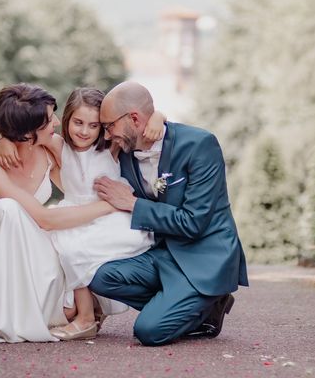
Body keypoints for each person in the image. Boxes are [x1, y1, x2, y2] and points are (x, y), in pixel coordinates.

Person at [0, 83, 120, 343]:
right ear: (26, 132)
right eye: (48, 121)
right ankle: (5, 310)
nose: (58, 123)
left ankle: (67, 306)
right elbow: (45, 219)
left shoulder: (49, 146)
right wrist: (112, 204)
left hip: (33, 241)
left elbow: (94, 162)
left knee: (69, 284)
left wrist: (158, 121)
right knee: (8, 210)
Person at [90, 81, 249, 347]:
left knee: (149, 331)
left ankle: (199, 303)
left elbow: (193, 222)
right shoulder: (125, 150)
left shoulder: (200, 145)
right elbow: (72, 143)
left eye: (109, 126)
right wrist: (7, 143)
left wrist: (132, 204)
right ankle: (192, 307)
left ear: (134, 119)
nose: (106, 135)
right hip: (163, 254)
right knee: (100, 277)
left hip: (203, 258)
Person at [0, 88, 162, 340]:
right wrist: (4, 139)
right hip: (74, 214)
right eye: (78, 122)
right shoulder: (58, 145)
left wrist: (158, 117)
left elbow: (140, 121)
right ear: (66, 120)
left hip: (110, 215)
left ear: (104, 127)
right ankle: (89, 310)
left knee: (76, 249)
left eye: (93, 125)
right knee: (61, 245)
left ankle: (86, 318)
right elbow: (25, 129)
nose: (84, 131)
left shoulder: (111, 146)